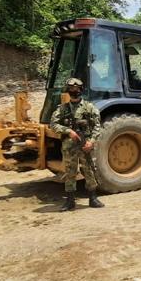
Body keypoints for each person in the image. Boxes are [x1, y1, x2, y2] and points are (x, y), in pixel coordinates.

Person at [49, 77, 104, 211]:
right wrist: (68, 131)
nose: (74, 91)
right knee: (70, 172)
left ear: (81, 90)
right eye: (72, 89)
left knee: (89, 169)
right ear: (68, 91)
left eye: (77, 89)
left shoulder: (89, 107)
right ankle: (70, 201)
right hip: (69, 146)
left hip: (85, 144)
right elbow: (53, 124)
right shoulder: (62, 109)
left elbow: (97, 126)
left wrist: (91, 141)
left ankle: (93, 198)